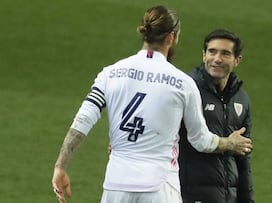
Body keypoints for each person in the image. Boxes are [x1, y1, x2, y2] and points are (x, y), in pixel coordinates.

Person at [51, 6, 252, 203]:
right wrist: (229, 143)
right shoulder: (182, 83)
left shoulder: (110, 73)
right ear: (172, 37)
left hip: (116, 185)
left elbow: (83, 119)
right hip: (160, 187)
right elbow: (201, 140)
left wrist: (60, 166)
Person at [178, 29, 254, 203]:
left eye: (225, 53)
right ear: (204, 55)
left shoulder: (241, 99)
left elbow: (243, 157)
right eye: (212, 52)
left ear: (237, 60)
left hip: (227, 198)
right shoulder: (186, 91)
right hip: (190, 195)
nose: (217, 59)